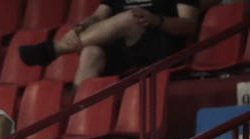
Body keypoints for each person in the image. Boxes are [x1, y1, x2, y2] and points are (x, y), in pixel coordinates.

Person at [16, 1, 201, 86]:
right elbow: (98, 16)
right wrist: (79, 28)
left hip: (162, 48)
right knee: (91, 52)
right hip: (125, 49)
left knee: (131, 17)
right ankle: (80, 114)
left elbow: (189, 25)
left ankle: (55, 49)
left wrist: (157, 20)